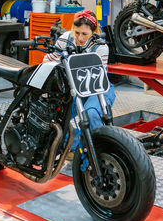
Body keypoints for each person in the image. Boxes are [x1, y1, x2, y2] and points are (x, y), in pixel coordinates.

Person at [43, 10, 116, 150]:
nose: (80, 38)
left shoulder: (100, 46)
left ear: (93, 32)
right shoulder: (65, 39)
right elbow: (46, 60)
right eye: (77, 33)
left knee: (91, 114)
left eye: (85, 34)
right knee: (55, 118)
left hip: (97, 88)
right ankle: (75, 147)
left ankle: (96, 155)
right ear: (72, 29)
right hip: (71, 88)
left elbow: (99, 76)